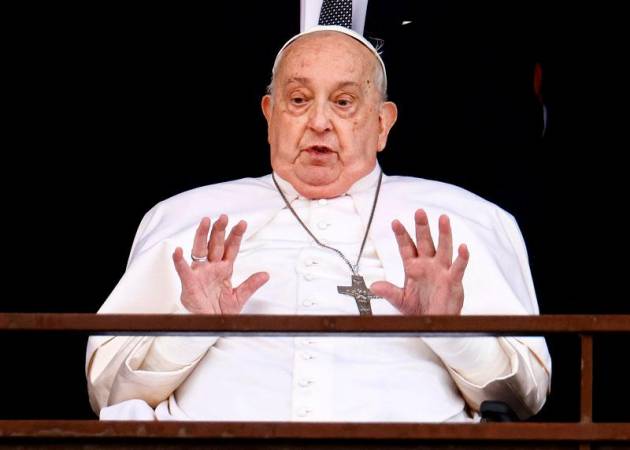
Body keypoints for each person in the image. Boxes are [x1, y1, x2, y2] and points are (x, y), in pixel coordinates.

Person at [86, 25, 551, 422]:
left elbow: (520, 400)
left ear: (383, 123)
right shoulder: (186, 217)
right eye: (299, 99)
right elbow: (111, 394)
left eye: (345, 102)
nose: (320, 122)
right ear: (270, 117)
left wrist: (450, 330)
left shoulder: (462, 218)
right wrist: (191, 327)